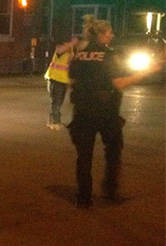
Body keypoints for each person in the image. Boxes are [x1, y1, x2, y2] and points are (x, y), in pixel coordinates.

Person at [67, 16, 158, 208]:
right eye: (109, 32)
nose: (112, 35)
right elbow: (119, 83)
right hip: (105, 112)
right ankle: (110, 190)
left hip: (82, 111)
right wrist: (145, 72)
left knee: (84, 155)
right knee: (113, 151)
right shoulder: (109, 56)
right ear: (101, 34)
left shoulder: (79, 55)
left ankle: (84, 198)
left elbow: (72, 82)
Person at [44, 35, 79, 129]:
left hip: (63, 80)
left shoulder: (70, 51)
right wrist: (72, 43)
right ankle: (55, 122)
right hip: (54, 78)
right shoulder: (60, 49)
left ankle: (53, 120)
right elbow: (59, 51)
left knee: (58, 102)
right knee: (56, 101)